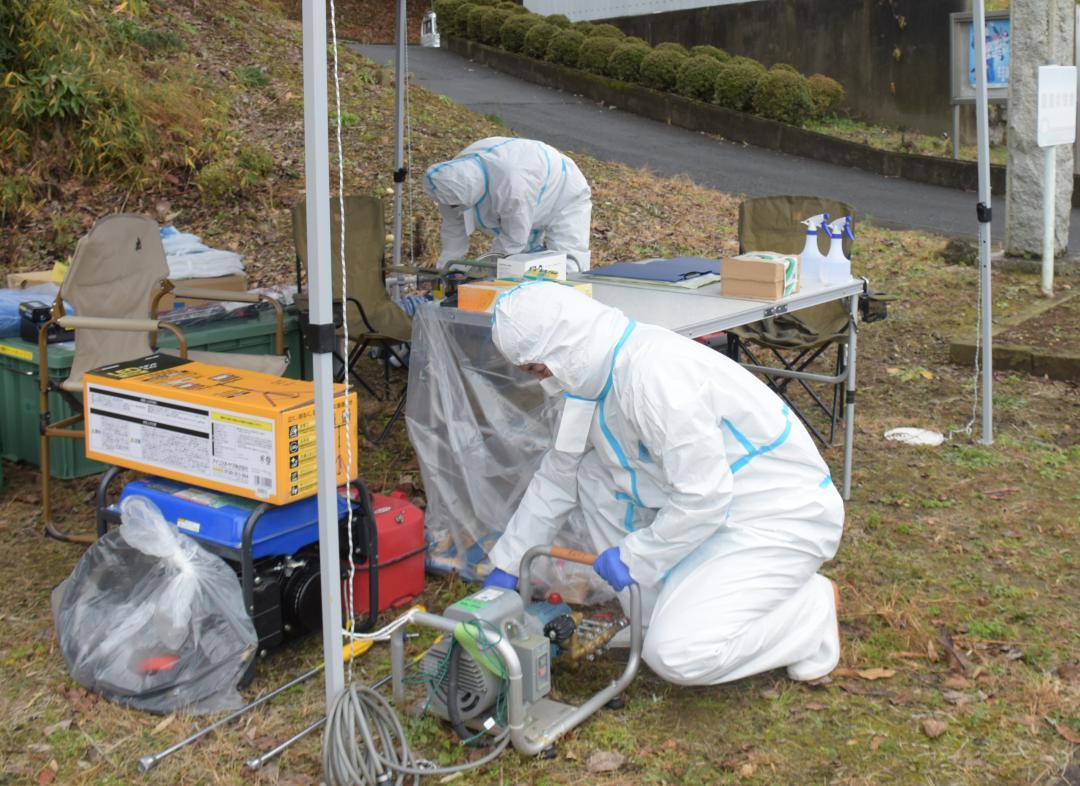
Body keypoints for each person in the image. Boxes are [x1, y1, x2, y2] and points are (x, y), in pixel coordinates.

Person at [482, 281, 844, 686]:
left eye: (538, 369)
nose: (541, 381)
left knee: (678, 655)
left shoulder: (655, 378)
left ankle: (809, 612)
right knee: (592, 474)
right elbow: (560, 475)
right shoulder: (591, 377)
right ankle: (658, 615)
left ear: (562, 348)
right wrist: (508, 566)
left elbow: (704, 499)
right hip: (718, 514)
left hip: (777, 517)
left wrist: (636, 556)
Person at [422, 137, 593, 272]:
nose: (453, 209)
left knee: (568, 264)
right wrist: (447, 269)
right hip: (531, 184)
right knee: (519, 265)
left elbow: (514, 240)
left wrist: (482, 272)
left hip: (563, 191)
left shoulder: (511, 185)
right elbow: (453, 226)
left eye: (456, 205)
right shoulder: (449, 180)